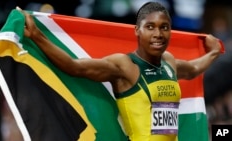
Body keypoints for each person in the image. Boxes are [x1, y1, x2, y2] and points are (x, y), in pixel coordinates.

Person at [19, 1, 222, 141]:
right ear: (137, 30)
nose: (158, 34)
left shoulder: (168, 62)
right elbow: (74, 66)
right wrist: (37, 35)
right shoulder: (125, 65)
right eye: (150, 27)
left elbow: (193, 69)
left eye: (164, 27)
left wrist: (213, 53)